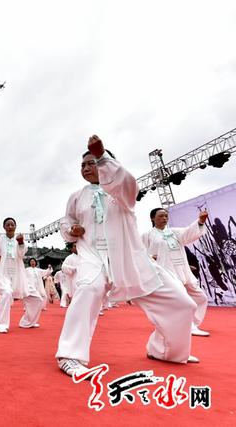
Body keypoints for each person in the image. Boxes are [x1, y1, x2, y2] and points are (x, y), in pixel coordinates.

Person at [55, 135, 197, 377]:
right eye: (84, 165)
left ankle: (165, 350)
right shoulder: (76, 196)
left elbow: (127, 183)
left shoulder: (121, 191)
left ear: (108, 164)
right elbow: (66, 223)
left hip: (128, 258)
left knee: (183, 304)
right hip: (93, 257)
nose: (87, 168)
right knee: (89, 288)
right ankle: (69, 355)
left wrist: (102, 157)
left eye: (93, 163)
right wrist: (72, 230)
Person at [142, 208, 211, 337]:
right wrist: (151, 258)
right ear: (152, 218)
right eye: (161, 216)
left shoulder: (174, 232)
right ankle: (188, 327)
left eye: (166, 216)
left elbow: (189, 232)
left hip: (183, 270)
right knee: (184, 301)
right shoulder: (147, 235)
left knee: (201, 297)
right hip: (166, 272)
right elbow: (140, 252)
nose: (164, 218)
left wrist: (200, 221)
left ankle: (193, 323)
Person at [0, 217, 44, 333]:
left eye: (12, 225)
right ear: (4, 227)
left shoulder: (19, 241)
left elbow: (22, 254)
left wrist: (21, 242)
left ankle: (27, 322)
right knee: (6, 293)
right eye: (8, 225)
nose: (10, 227)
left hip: (18, 273)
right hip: (3, 272)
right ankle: (1, 324)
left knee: (37, 299)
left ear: (15, 227)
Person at [59, 244, 79, 308]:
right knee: (76, 296)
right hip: (75, 280)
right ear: (72, 248)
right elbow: (63, 267)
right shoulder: (69, 258)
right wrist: (72, 268)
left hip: (85, 280)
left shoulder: (85, 257)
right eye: (74, 246)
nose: (76, 247)